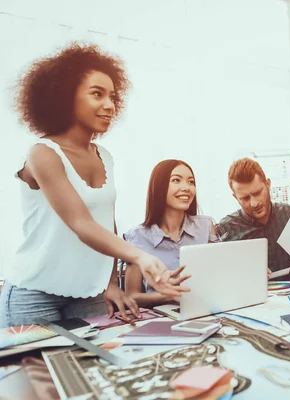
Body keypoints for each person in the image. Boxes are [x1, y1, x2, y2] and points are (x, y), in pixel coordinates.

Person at [0, 43, 188, 328]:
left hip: (88, 291)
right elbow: (81, 223)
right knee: (41, 373)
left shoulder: (105, 158)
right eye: (97, 94)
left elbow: (106, 224)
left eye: (112, 96)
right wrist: (142, 256)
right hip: (33, 293)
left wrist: (111, 283)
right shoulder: (42, 153)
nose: (109, 104)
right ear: (65, 97)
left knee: (93, 370)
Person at [124, 160, 218, 308]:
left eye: (191, 182)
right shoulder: (138, 237)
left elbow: (219, 276)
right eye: (176, 180)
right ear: (159, 187)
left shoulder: (206, 226)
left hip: (205, 309)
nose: (186, 188)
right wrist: (168, 295)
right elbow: (132, 297)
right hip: (162, 318)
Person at [216, 158, 290, 280]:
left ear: (268, 184)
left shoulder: (288, 215)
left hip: (288, 295)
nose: (254, 203)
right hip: (249, 297)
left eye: (258, 192)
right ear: (235, 197)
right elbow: (220, 281)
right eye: (245, 198)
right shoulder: (225, 230)